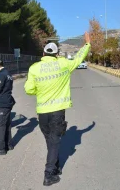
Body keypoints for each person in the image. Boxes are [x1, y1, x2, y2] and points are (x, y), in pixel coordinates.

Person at [24, 32, 91, 186]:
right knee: (54, 142)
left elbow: (28, 89)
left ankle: (55, 167)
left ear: (43, 53)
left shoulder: (34, 68)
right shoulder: (63, 64)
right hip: (57, 112)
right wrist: (87, 44)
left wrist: (40, 91)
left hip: (42, 113)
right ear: (57, 54)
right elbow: (78, 58)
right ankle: (48, 174)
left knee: (50, 141)